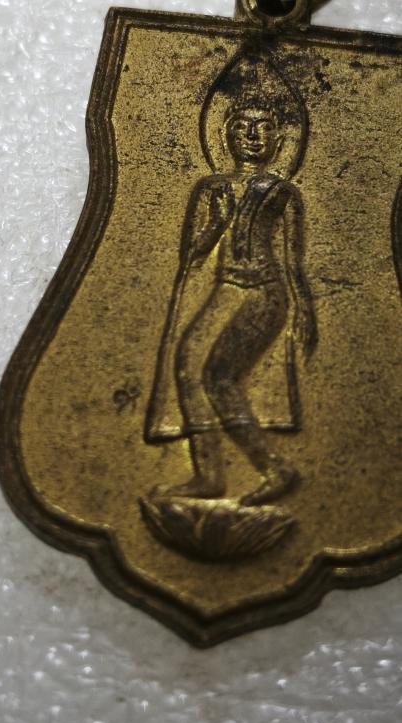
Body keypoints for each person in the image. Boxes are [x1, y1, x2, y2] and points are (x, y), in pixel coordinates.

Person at [146, 97, 317, 506]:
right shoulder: (212, 188)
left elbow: (295, 262)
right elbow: (191, 257)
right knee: (186, 365)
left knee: (219, 376)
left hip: (263, 290)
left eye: (263, 127)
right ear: (226, 137)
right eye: (243, 127)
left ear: (278, 141)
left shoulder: (282, 192)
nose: (253, 136)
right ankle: (208, 475)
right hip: (225, 288)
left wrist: (304, 309)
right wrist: (217, 224)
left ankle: (274, 468)